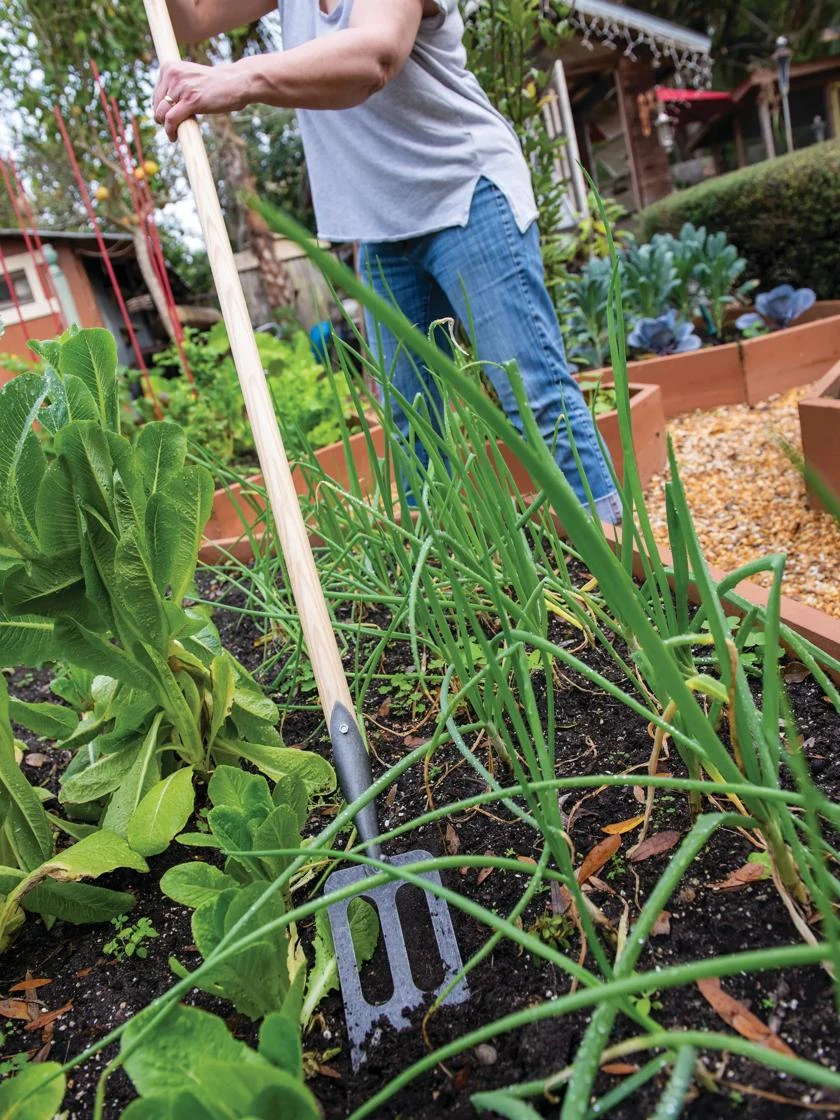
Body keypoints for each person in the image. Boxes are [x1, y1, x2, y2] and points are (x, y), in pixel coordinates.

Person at [154, 0, 622, 522]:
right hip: (380, 228)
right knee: (410, 419)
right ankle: (446, 574)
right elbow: (190, 19)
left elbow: (373, 57)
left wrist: (237, 78)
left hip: (465, 197)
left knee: (533, 396)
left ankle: (616, 570)